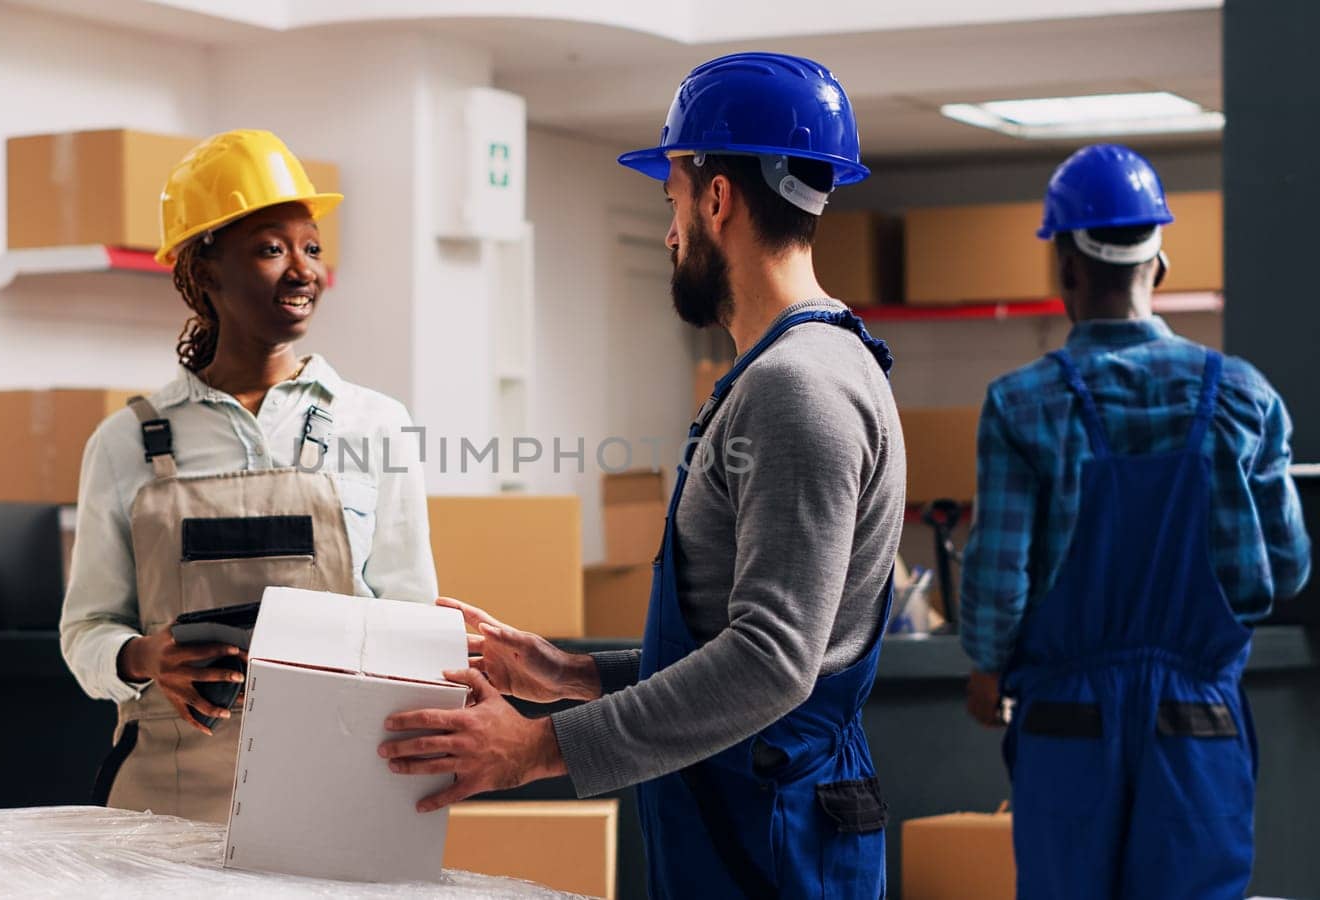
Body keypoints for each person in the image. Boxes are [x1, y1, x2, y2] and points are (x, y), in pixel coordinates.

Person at [379, 53, 905, 898]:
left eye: (671, 200)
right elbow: (728, 637)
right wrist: (565, 673)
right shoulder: (792, 370)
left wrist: (535, 750)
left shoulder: (797, 387)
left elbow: (772, 660)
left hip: (773, 835)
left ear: (717, 197)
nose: (669, 233)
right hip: (747, 812)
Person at [958, 144, 1311, 899]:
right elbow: (1286, 570)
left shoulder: (1021, 403)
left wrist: (987, 667)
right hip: (1197, 724)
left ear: (1066, 268)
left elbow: (998, 579)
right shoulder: (1246, 397)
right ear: (1161, 265)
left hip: (1064, 724)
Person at [60, 129, 437, 823]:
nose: (303, 270)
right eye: (271, 248)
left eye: (312, 248)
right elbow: (85, 630)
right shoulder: (125, 444)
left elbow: (411, 619)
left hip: (338, 792)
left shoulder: (375, 426)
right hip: (163, 806)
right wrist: (145, 656)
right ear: (205, 271)